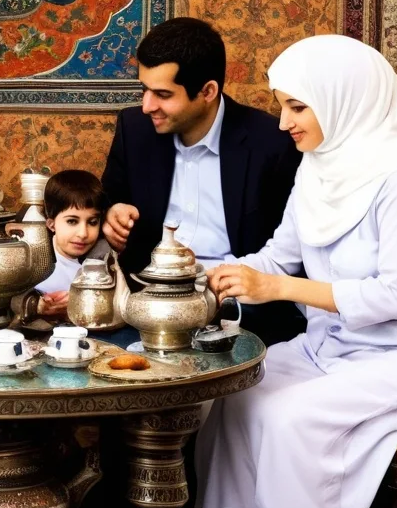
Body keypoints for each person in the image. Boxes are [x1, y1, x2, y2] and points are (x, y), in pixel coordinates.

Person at [188, 34, 397, 508]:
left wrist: (275, 287)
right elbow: (279, 254)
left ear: (346, 98)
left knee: (291, 416)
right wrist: (210, 275)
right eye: (281, 105)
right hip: (338, 345)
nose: (283, 123)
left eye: (297, 106)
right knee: (236, 391)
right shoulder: (318, 166)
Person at [101, 17, 303, 345]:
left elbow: (291, 247)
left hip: (241, 312)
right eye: (144, 89)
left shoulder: (271, 143)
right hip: (150, 306)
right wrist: (112, 213)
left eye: (163, 94)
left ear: (207, 91)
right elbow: (108, 196)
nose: (147, 105)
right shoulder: (134, 129)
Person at [30, 169, 111, 317]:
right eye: (72, 221)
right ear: (51, 224)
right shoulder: (33, 258)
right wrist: (36, 305)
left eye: (92, 222)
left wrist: (79, 302)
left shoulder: (105, 258)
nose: (83, 233)